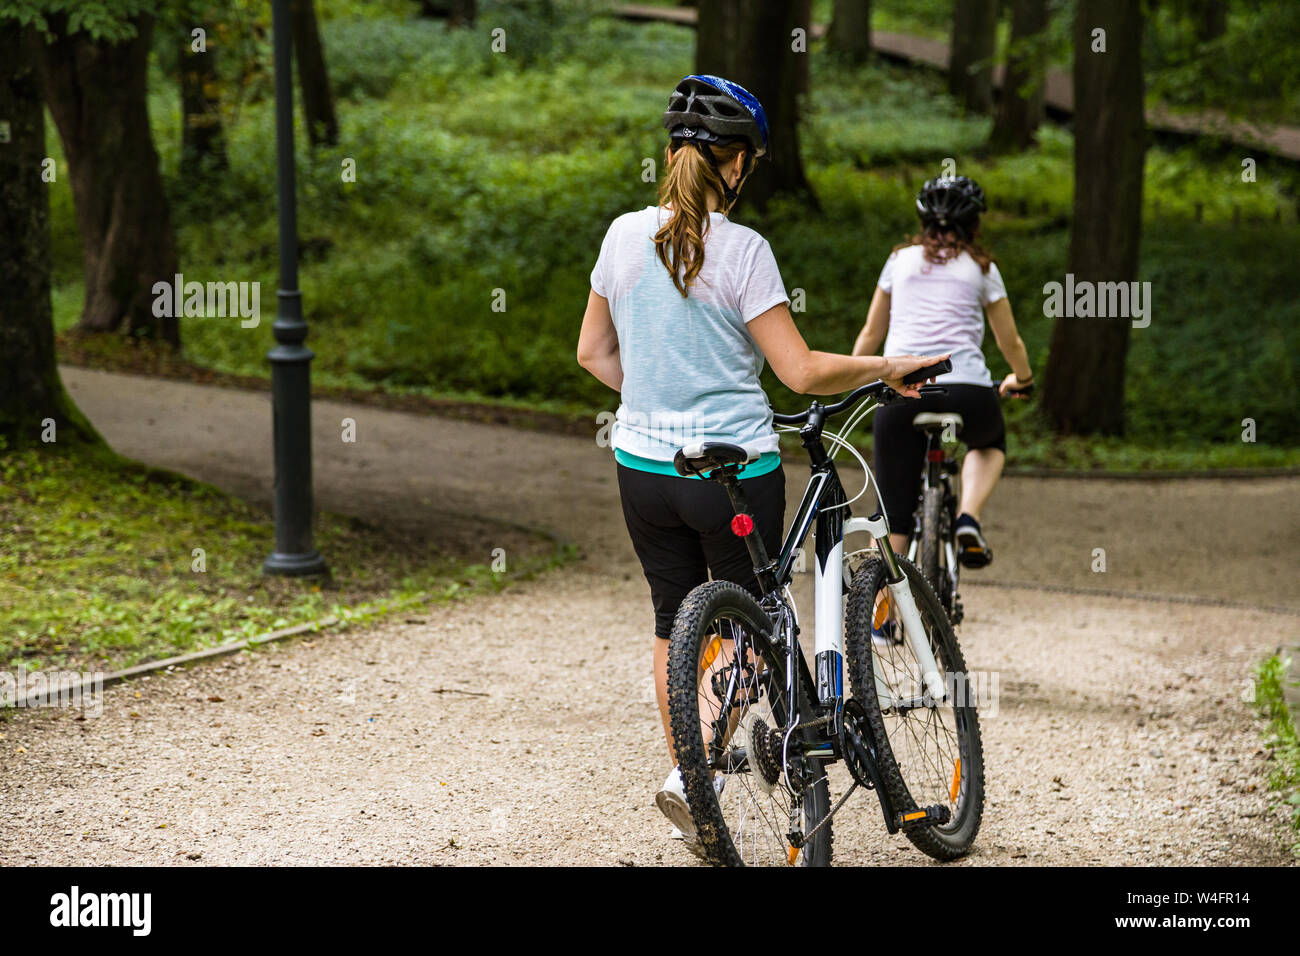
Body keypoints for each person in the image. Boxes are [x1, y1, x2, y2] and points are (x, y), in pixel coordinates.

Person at [576, 74, 947, 852]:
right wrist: (885, 367)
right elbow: (802, 373)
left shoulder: (619, 236)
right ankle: (695, 782)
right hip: (733, 472)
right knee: (754, 624)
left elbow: (592, 354)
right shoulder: (743, 250)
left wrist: (654, 404)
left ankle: (691, 774)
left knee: (674, 619)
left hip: (642, 469)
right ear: (735, 164)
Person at [852, 175, 1033, 567]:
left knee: (893, 517)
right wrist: (1023, 378)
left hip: (902, 389)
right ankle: (968, 516)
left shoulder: (899, 262)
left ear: (924, 223)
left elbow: (871, 332)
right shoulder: (983, 269)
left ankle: (881, 619)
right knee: (989, 443)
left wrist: (849, 381)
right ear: (973, 226)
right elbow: (1010, 342)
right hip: (968, 391)